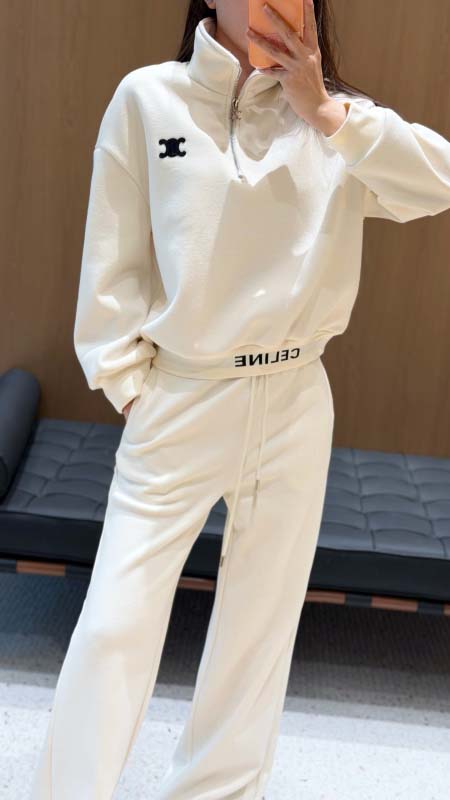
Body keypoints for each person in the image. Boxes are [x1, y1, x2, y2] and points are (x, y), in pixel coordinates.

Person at [30, 0, 450, 797]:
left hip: (296, 398)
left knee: (258, 636)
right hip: (181, 397)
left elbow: (439, 182)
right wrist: (131, 388)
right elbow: (112, 261)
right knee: (115, 623)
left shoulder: (337, 119)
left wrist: (323, 111)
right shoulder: (148, 98)